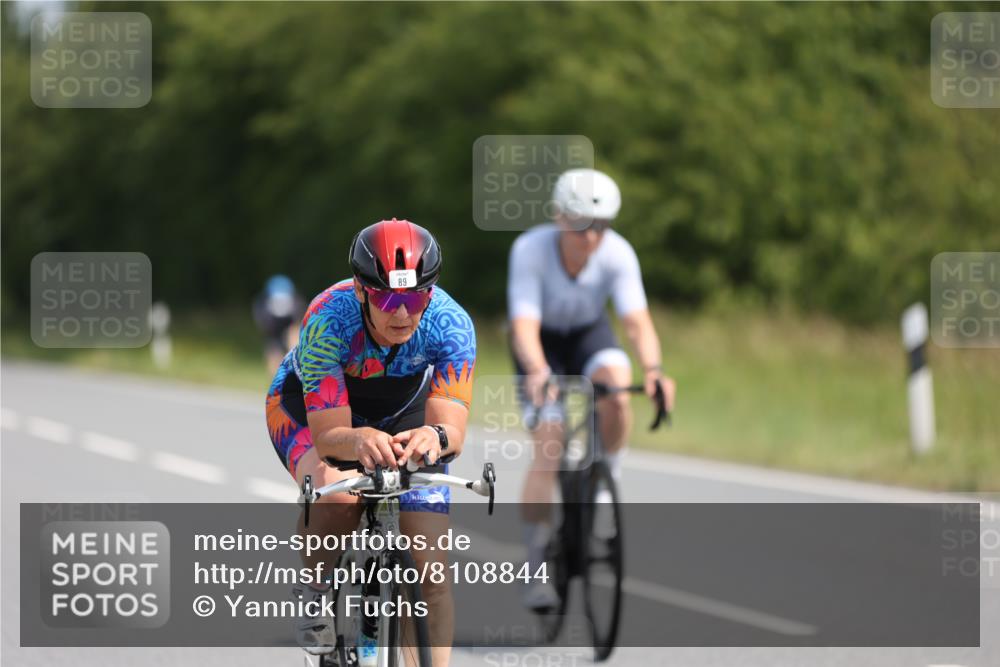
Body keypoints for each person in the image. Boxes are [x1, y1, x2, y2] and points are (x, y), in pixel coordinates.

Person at [264, 219, 475, 665]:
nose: (402, 313)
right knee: (338, 495)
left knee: (432, 574)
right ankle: (316, 588)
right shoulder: (327, 318)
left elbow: (451, 429)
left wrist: (434, 436)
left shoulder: (451, 324)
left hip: (405, 412)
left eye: (414, 297)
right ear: (362, 290)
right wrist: (357, 440)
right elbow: (329, 438)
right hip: (311, 411)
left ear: (430, 293)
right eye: (387, 297)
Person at [507, 168, 677, 610]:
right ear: (560, 218)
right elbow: (523, 324)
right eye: (582, 225)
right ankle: (534, 562)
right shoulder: (530, 249)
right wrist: (538, 370)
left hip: (587, 335)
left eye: (602, 226)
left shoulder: (618, 254)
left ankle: (606, 480)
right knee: (548, 445)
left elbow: (636, 323)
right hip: (540, 342)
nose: (592, 237)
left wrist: (654, 370)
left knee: (618, 392)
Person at [253, 274, 306, 373]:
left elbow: (299, 321)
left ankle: (297, 370)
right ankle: (277, 382)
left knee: (293, 336)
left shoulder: (297, 303)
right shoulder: (263, 305)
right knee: (273, 353)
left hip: (290, 328)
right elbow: (263, 324)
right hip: (273, 332)